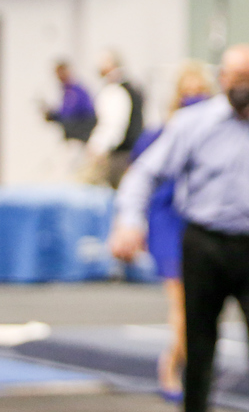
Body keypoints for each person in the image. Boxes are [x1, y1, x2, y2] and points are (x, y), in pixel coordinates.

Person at [110, 45, 249, 412]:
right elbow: (144, 174)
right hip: (204, 246)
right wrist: (129, 223)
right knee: (199, 346)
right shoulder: (193, 125)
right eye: (237, 78)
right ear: (222, 79)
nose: (243, 85)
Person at [125, 60, 214, 401]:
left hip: (199, 223)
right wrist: (135, 225)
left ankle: (190, 370)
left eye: (200, 93)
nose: (193, 99)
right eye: (187, 93)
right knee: (183, 303)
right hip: (167, 225)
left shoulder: (216, 136)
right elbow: (139, 179)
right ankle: (171, 370)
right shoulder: (158, 135)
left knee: (200, 303)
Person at [83, 50, 143, 188]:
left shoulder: (116, 91)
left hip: (118, 156)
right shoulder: (130, 88)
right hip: (126, 153)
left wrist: (98, 147)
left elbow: (113, 126)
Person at [43, 60, 97, 147]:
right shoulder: (66, 92)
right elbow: (64, 114)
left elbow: (75, 116)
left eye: (61, 73)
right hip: (71, 137)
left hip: (81, 138)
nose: (59, 77)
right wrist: (53, 116)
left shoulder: (77, 92)